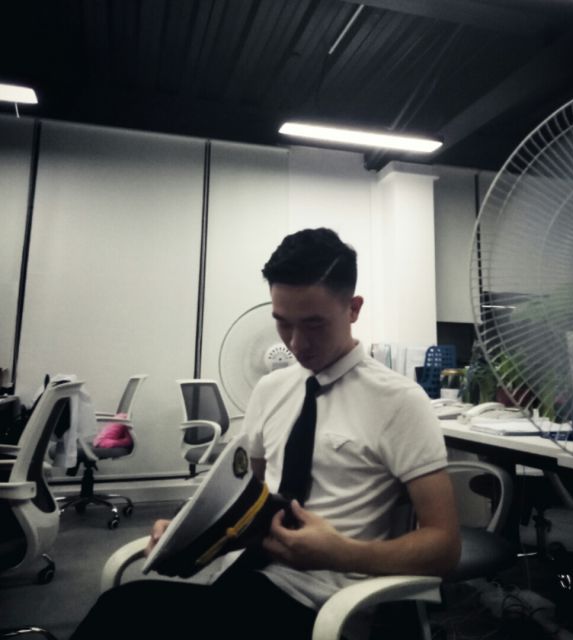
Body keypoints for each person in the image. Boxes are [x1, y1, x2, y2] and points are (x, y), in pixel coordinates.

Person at [70, 227, 460, 640]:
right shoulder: (271, 389)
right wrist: (187, 528)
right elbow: (244, 496)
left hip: (320, 606)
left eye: (314, 324)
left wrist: (342, 552)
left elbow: (445, 546)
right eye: (282, 324)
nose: (296, 344)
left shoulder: (399, 401)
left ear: (353, 309)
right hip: (242, 579)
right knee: (119, 609)